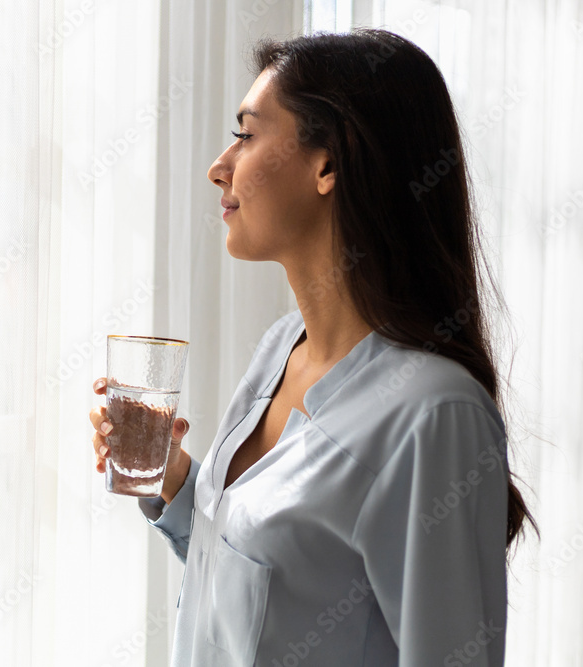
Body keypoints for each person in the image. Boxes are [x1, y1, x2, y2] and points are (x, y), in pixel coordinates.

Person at [89, 28, 536, 667]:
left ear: (328, 164)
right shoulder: (281, 349)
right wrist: (176, 479)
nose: (219, 166)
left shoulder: (434, 414)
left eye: (246, 134)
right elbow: (274, 593)